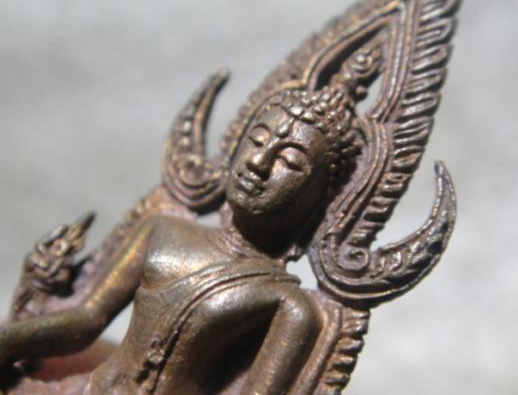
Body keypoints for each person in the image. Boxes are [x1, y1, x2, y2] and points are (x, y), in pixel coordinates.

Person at [0, 86, 358, 395]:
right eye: (257, 141)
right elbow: (87, 319)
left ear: (319, 197)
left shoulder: (288, 305)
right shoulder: (161, 230)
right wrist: (7, 341)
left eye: (289, 163)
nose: (259, 163)